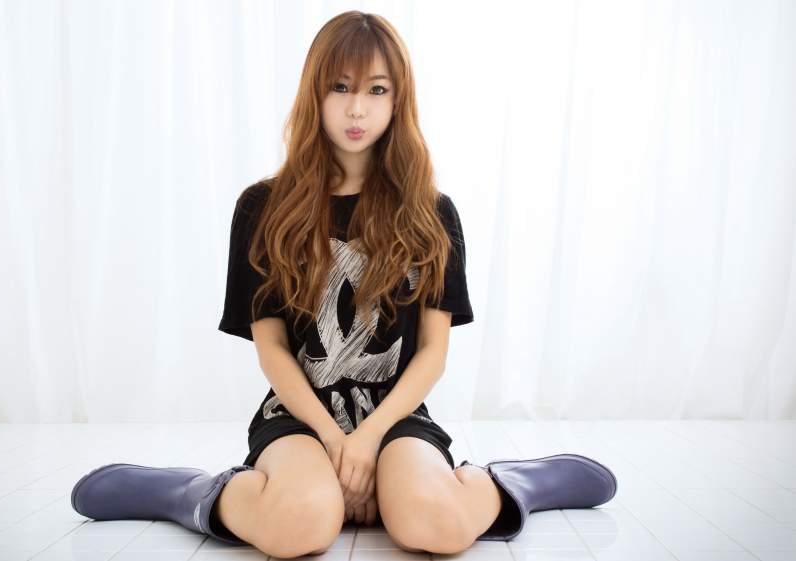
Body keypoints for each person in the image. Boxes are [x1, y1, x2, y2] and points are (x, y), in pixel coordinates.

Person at [70, 10, 618, 559]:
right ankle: (186, 492)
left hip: (396, 413)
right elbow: (272, 348)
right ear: (316, 92)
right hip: (297, 414)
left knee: (438, 527)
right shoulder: (263, 208)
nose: (358, 108)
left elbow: (432, 352)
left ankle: (515, 484)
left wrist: (370, 437)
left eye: (377, 90)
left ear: (398, 99)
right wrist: (334, 440)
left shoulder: (431, 213)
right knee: (300, 528)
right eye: (340, 87)